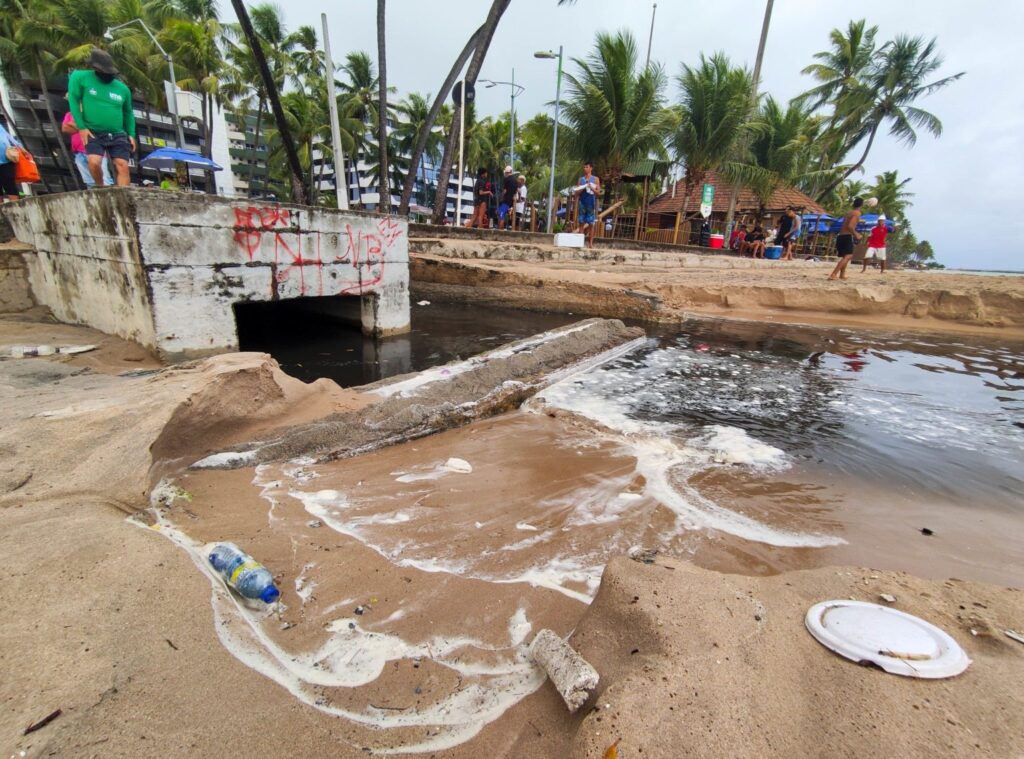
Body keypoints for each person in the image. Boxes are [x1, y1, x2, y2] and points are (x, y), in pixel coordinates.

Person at [67, 48, 136, 187]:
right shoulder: (80, 77)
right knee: (94, 161)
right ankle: (100, 188)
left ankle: (124, 195)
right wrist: (81, 127)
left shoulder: (122, 89)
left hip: (117, 132)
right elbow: (73, 101)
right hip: (93, 131)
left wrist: (131, 134)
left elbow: (128, 113)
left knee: (122, 165)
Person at [61, 109, 113, 188]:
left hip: (97, 152)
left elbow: (96, 126)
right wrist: (84, 126)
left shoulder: (94, 111)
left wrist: (74, 124)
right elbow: (65, 128)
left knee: (104, 180)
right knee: (89, 182)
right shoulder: (69, 114)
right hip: (79, 153)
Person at [829, 197, 865, 280]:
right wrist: (856, 234)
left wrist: (859, 221)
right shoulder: (857, 213)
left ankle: (842, 274)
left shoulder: (849, 213)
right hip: (847, 236)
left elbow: (847, 223)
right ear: (861, 205)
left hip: (841, 236)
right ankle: (833, 274)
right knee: (848, 256)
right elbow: (850, 226)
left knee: (845, 256)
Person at [572, 161, 600, 248]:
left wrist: (591, 187)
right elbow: (576, 193)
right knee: (581, 223)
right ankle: (580, 243)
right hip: (582, 203)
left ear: (591, 168)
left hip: (591, 204)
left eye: (587, 167)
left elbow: (598, 192)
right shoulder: (581, 180)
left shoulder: (595, 179)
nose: (585, 169)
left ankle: (590, 243)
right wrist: (582, 188)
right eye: (584, 167)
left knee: (591, 224)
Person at [0, 115, 22, 202]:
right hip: (5, 159)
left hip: (6, 159)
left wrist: (21, 148)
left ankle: (16, 209)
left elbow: (8, 137)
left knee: (10, 185)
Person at [498, 165, 517, 230]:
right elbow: (516, 192)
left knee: (501, 216)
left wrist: (501, 197)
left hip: (505, 200)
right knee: (503, 215)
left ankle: (500, 232)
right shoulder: (515, 181)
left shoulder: (506, 179)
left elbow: (505, 191)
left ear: (506, 172)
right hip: (511, 201)